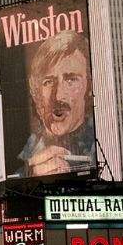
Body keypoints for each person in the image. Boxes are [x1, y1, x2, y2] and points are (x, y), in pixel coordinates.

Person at [18, 30, 95, 178]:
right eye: (48, 82)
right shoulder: (26, 155)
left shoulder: (100, 145)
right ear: (36, 93)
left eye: (71, 79)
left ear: (89, 86)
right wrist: (30, 176)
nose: (58, 95)